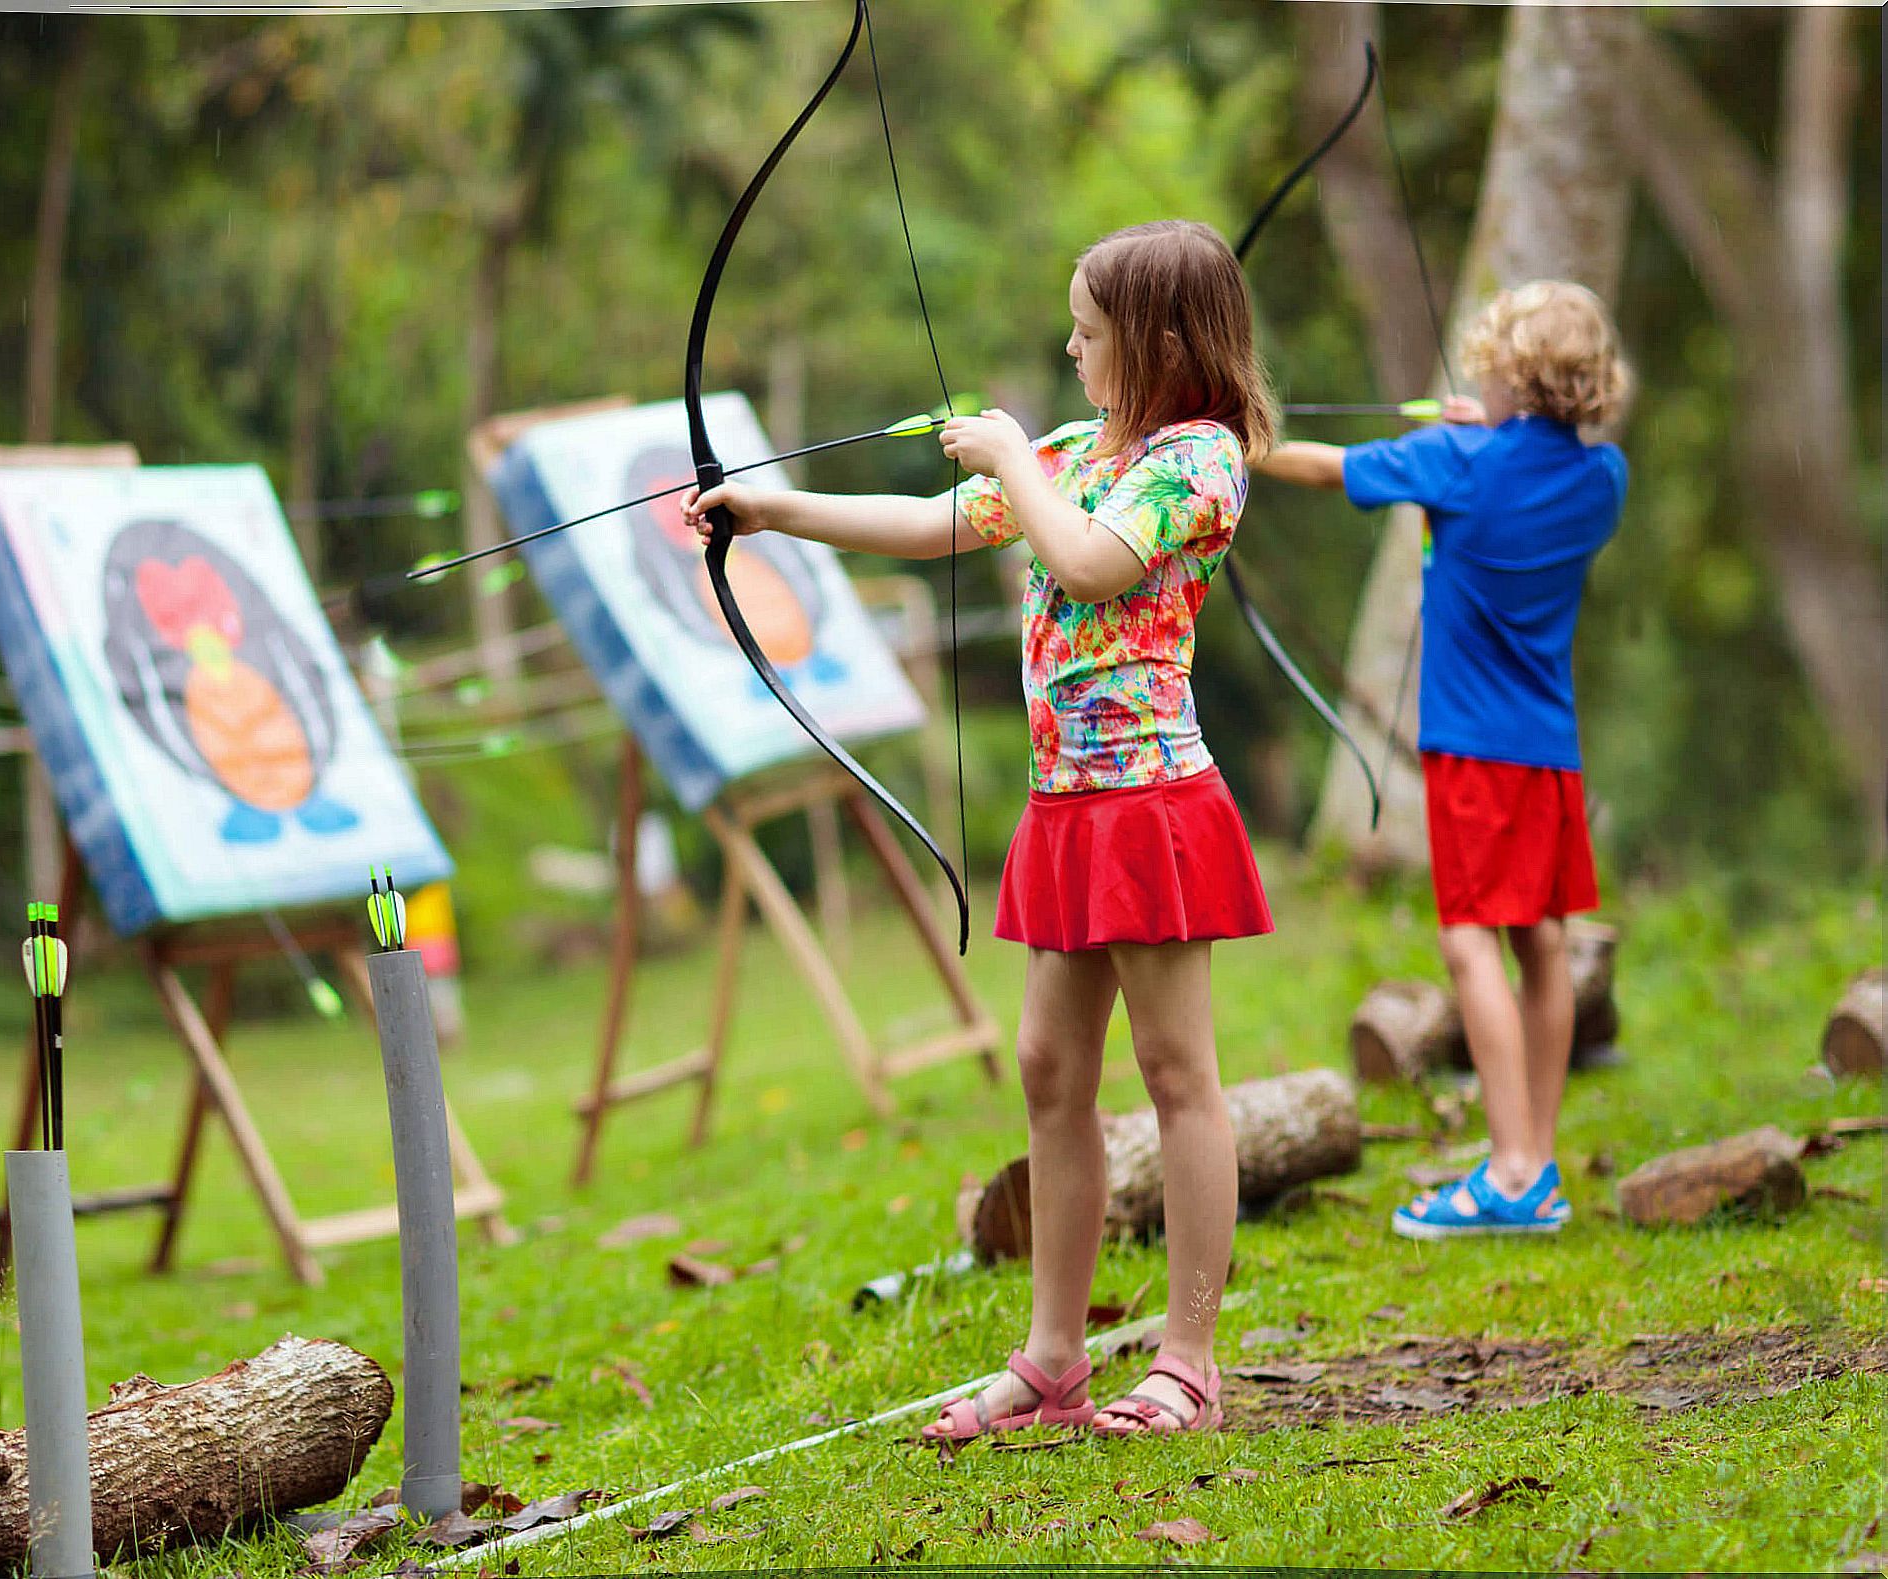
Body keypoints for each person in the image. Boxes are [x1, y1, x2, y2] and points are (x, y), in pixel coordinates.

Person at [686, 219, 1276, 1439]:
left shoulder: (1200, 461)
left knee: (1175, 1076)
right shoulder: (1067, 450)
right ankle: (1053, 1360)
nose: (1067, 346)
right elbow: (930, 527)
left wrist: (1013, 458)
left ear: (1158, 341)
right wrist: (770, 510)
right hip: (1064, 810)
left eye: (1088, 329)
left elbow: (1089, 561)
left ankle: (1186, 1362)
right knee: (1050, 1073)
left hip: (1152, 805)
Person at [1257, 279, 1630, 1239]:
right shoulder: (1604, 480)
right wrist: (1493, 431)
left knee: (1469, 942)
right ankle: (1531, 1160)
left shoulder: (1453, 457)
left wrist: (1231, 441)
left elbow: (1322, 466)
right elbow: (1524, 475)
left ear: (1509, 374)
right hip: (1548, 752)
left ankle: (1510, 1171)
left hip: (1473, 750)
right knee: (1540, 940)